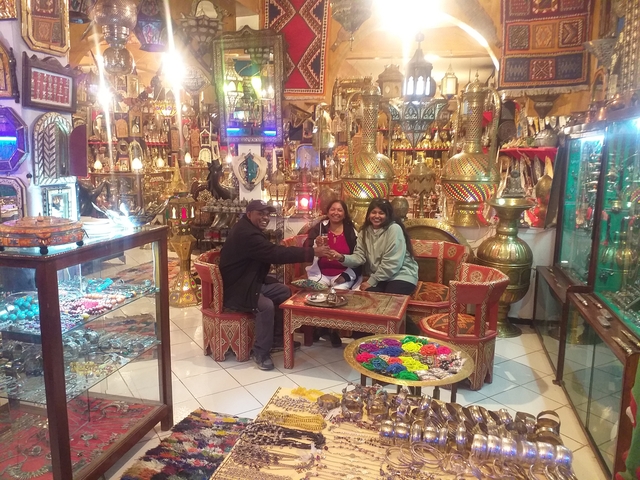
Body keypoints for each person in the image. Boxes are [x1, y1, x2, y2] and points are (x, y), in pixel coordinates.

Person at [219, 200, 330, 371]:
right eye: (260, 213)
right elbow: (274, 253)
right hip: (238, 288)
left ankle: (277, 340)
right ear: (249, 214)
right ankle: (261, 352)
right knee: (266, 306)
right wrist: (312, 252)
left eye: (267, 214)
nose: (265, 217)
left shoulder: (250, 229)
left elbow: (271, 252)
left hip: (251, 281)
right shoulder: (247, 234)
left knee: (283, 291)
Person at [329, 198, 418, 295]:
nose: (377, 216)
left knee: (388, 299)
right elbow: (359, 257)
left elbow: (392, 264)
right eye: (373, 212)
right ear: (368, 215)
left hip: (401, 275)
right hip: (381, 277)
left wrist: (371, 281)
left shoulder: (394, 229)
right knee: (366, 297)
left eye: (381, 213)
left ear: (388, 215)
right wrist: (341, 257)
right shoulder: (365, 232)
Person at [304, 199, 361, 347]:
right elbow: (307, 248)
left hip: (343, 273)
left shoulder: (351, 231)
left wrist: (345, 276)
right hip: (321, 272)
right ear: (328, 211)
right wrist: (315, 244)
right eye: (333, 209)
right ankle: (319, 328)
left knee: (338, 295)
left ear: (344, 213)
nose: (336, 213)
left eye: (340, 210)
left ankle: (332, 330)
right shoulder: (319, 229)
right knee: (317, 295)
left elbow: (358, 257)